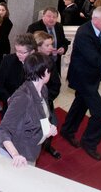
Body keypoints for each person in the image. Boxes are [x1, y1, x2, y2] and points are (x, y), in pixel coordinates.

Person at [60, 7, 101, 161]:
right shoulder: (84, 33)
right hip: (83, 79)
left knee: (80, 104)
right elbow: (96, 59)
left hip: (94, 77)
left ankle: (67, 130)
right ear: (95, 20)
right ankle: (89, 143)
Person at [0, 53, 57, 167]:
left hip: (30, 151)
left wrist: (48, 128)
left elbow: (42, 114)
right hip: (12, 154)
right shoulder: (23, 97)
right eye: (50, 71)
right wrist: (16, 155)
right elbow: (3, 130)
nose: (51, 74)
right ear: (44, 73)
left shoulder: (43, 89)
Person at [33, 31, 63, 159]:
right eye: (47, 45)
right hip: (30, 102)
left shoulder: (50, 61)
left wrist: (46, 98)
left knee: (51, 124)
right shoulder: (30, 61)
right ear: (38, 46)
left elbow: (56, 84)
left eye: (51, 44)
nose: (51, 48)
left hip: (46, 101)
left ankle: (47, 145)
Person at [0, 34, 37, 114]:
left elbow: (52, 86)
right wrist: (8, 98)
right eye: (16, 51)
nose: (18, 54)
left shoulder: (40, 63)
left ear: (32, 52)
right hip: (11, 106)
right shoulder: (8, 60)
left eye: (22, 52)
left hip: (33, 107)